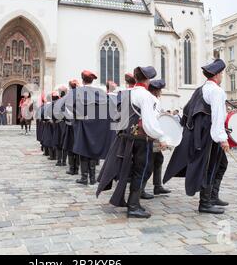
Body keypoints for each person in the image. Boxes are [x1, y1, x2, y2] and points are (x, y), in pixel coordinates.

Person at [97, 66, 169, 219]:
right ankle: (133, 206)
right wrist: (161, 138)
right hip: (142, 140)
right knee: (140, 171)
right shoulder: (146, 96)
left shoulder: (125, 93)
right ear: (148, 80)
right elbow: (149, 123)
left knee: (128, 171)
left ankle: (132, 202)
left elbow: (118, 118)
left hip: (126, 137)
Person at [163, 59, 230, 215]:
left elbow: (186, 110)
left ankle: (212, 197)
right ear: (217, 75)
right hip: (209, 136)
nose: (221, 76)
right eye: (221, 74)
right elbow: (218, 117)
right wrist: (222, 138)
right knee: (210, 166)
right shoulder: (217, 91)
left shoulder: (199, 90)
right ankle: (205, 203)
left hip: (199, 134)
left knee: (221, 164)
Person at [66, 70, 112, 186]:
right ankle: (92, 178)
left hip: (82, 124)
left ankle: (84, 177)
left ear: (82, 79)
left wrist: (77, 118)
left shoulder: (76, 92)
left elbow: (70, 108)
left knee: (83, 149)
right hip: (96, 125)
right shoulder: (100, 92)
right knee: (92, 149)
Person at [140, 79, 171, 200]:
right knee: (149, 163)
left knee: (158, 159)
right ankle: (141, 189)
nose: (161, 92)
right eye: (160, 90)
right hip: (152, 134)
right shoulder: (151, 100)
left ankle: (157, 186)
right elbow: (153, 119)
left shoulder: (156, 100)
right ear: (156, 90)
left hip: (155, 134)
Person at [62, 80, 80, 175]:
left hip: (70, 124)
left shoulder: (68, 95)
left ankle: (72, 168)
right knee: (77, 145)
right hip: (79, 124)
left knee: (70, 146)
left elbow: (62, 108)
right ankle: (76, 168)